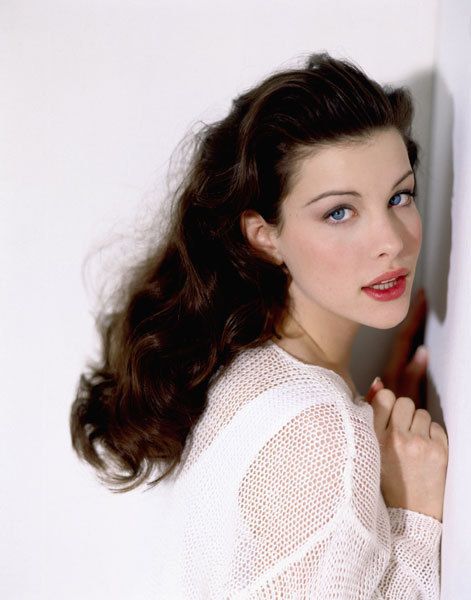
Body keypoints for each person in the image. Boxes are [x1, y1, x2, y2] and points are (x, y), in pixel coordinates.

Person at [70, 52, 448, 598]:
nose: (391, 239)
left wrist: (369, 417)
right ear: (263, 234)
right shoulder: (318, 430)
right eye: (339, 212)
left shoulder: (240, 361)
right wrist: (411, 513)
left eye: (400, 196)